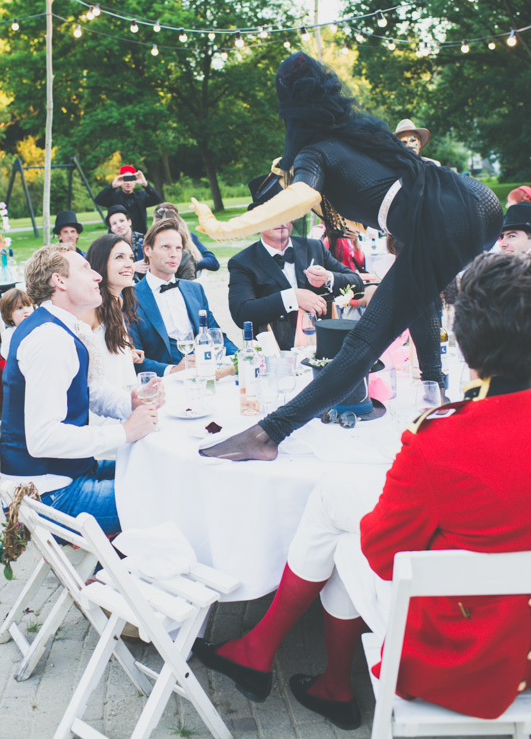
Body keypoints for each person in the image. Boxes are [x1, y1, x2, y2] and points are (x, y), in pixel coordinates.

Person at [194, 251, 531, 725]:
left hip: (460, 657)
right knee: (341, 504)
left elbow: (382, 552)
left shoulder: (444, 439)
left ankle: (280, 659)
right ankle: (319, 678)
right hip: (523, 646)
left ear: (468, 341)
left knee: (345, 528)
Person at [193, 51, 503, 460]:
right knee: (422, 300)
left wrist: (223, 228)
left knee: (363, 342)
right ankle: (437, 391)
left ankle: (268, 434)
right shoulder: (356, 135)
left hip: (444, 218)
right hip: (475, 199)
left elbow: (301, 197)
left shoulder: (315, 153)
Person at [0, 244, 161, 535]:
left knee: (161, 469)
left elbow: (90, 390)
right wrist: (124, 432)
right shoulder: (50, 339)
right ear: (59, 281)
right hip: (49, 495)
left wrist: (130, 403)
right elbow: (42, 438)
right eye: (85, 269)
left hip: (66, 473)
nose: (97, 276)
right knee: (168, 494)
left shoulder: (60, 327)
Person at [228, 176, 363, 351]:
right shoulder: (242, 262)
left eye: (286, 213)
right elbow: (242, 314)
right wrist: (292, 297)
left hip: (322, 347)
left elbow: (358, 286)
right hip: (276, 355)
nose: (281, 220)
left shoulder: (314, 248)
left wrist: (328, 278)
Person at [130, 217, 237, 377]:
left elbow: (217, 336)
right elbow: (133, 358)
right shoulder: (130, 297)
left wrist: (240, 357)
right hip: (163, 383)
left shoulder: (194, 289)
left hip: (204, 374)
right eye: (166, 247)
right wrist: (172, 370)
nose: (173, 254)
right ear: (147, 250)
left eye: (178, 248)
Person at [81, 234, 144, 398]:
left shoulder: (118, 302)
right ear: (101, 264)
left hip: (126, 395)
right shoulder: (90, 309)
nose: (129, 264)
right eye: (119, 257)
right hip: (103, 405)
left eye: (131, 258)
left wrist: (125, 351)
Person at [153, 202, 220, 274]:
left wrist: (191, 263)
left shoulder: (190, 237)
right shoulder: (148, 241)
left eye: (172, 215)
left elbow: (213, 262)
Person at [95, 165, 160, 234]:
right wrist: (112, 186)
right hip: (118, 235)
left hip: (139, 234)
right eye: (125, 179)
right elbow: (98, 200)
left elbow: (157, 199)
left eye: (131, 179)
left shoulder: (141, 196)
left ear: (135, 181)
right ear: (120, 180)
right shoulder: (114, 196)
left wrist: (145, 184)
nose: (128, 183)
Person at [0, 288, 34, 359]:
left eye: (28, 306)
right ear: (9, 315)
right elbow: (7, 353)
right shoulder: (10, 333)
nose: (26, 311)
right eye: (19, 308)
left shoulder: (39, 328)